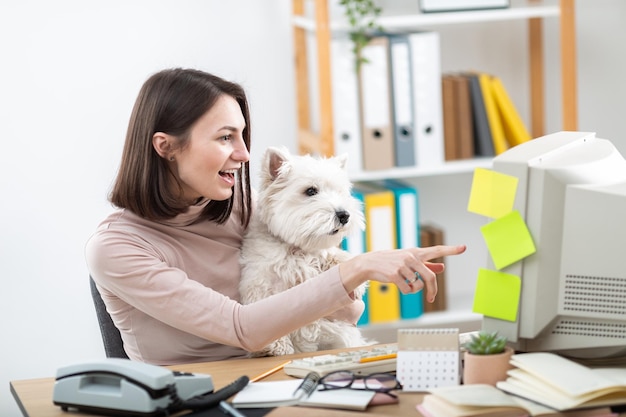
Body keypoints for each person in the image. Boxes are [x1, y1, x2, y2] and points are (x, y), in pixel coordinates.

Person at [86, 68, 466, 365]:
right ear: (166, 147)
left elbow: (349, 312)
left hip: (284, 376)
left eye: (242, 136)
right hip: (196, 398)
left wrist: (347, 279)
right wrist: (359, 267)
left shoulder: (245, 209)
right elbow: (244, 328)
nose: (244, 154)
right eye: (224, 138)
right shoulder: (118, 248)